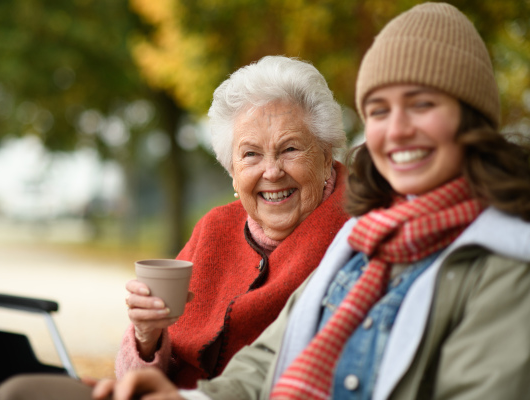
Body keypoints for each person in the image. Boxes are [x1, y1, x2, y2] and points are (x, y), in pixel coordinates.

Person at [85, 2, 530, 399]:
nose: (396, 130)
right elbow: (264, 366)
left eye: (422, 105)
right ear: (231, 171)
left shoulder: (498, 260)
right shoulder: (369, 237)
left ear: (328, 155)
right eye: (378, 110)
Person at [0, 55, 351, 399]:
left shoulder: (354, 234)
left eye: (289, 150)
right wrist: (147, 335)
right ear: (233, 174)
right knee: (19, 392)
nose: (271, 172)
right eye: (251, 154)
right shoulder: (216, 229)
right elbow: (140, 370)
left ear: (326, 154)